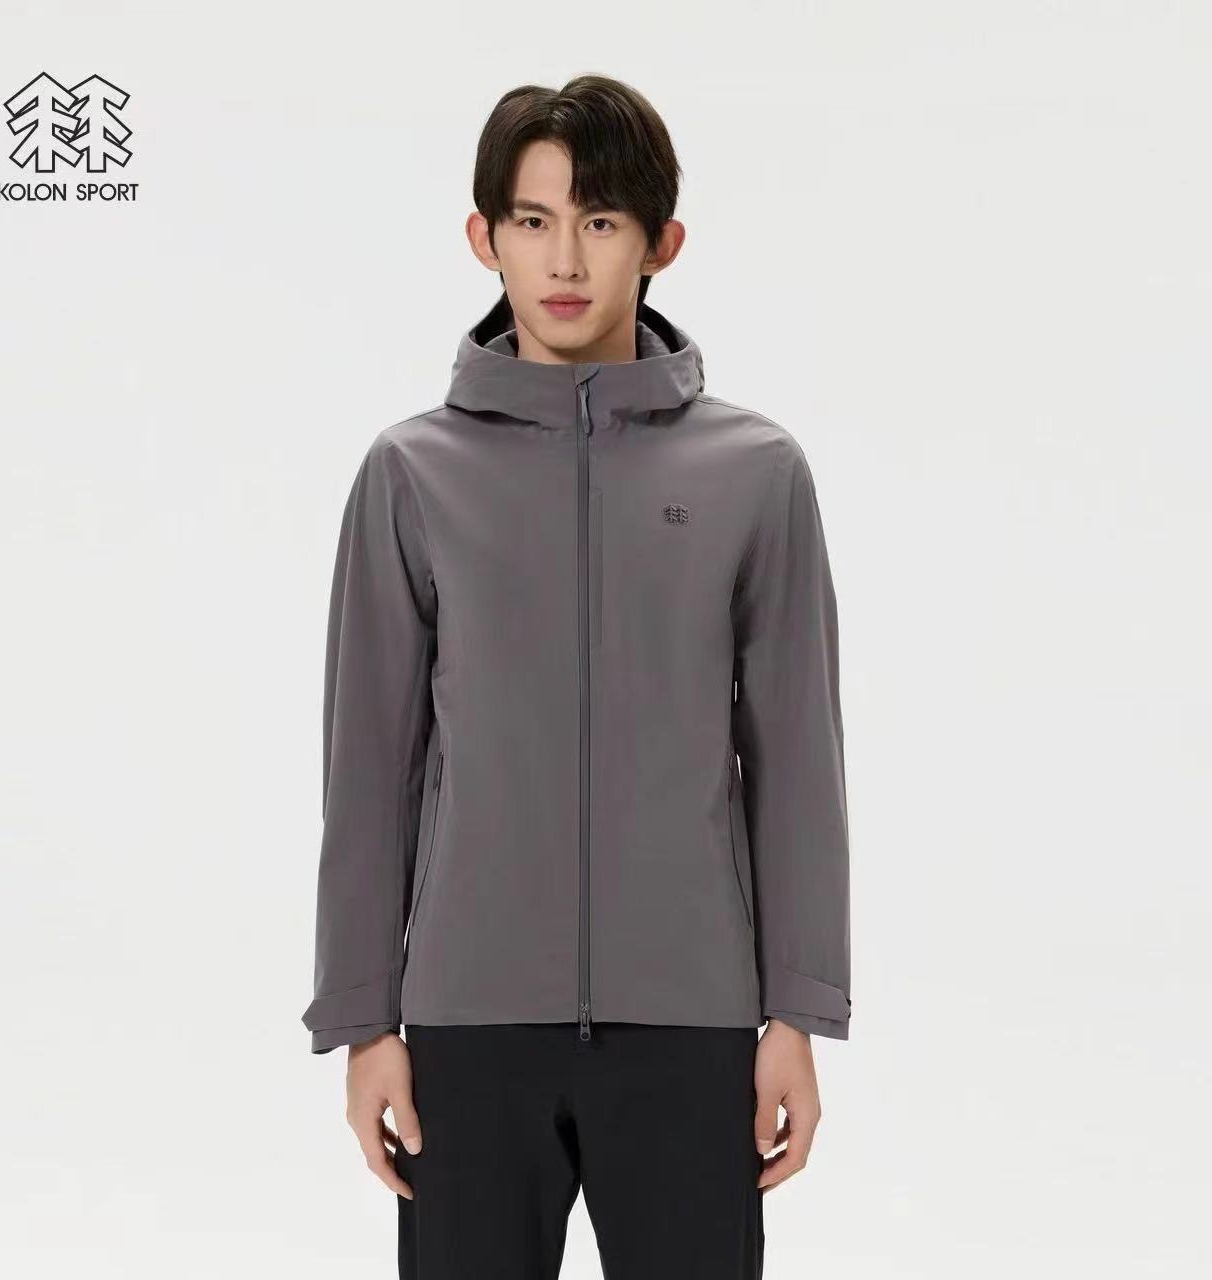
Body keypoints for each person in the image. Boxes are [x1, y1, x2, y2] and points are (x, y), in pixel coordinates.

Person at [302, 74, 851, 1279]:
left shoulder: (754, 471)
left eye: (599, 221)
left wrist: (796, 1014)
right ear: (483, 236)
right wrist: (363, 1022)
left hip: (693, 1024)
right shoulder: (411, 474)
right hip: (466, 1026)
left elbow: (796, 761)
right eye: (533, 219)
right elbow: (370, 769)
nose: (563, 258)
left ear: (660, 243)